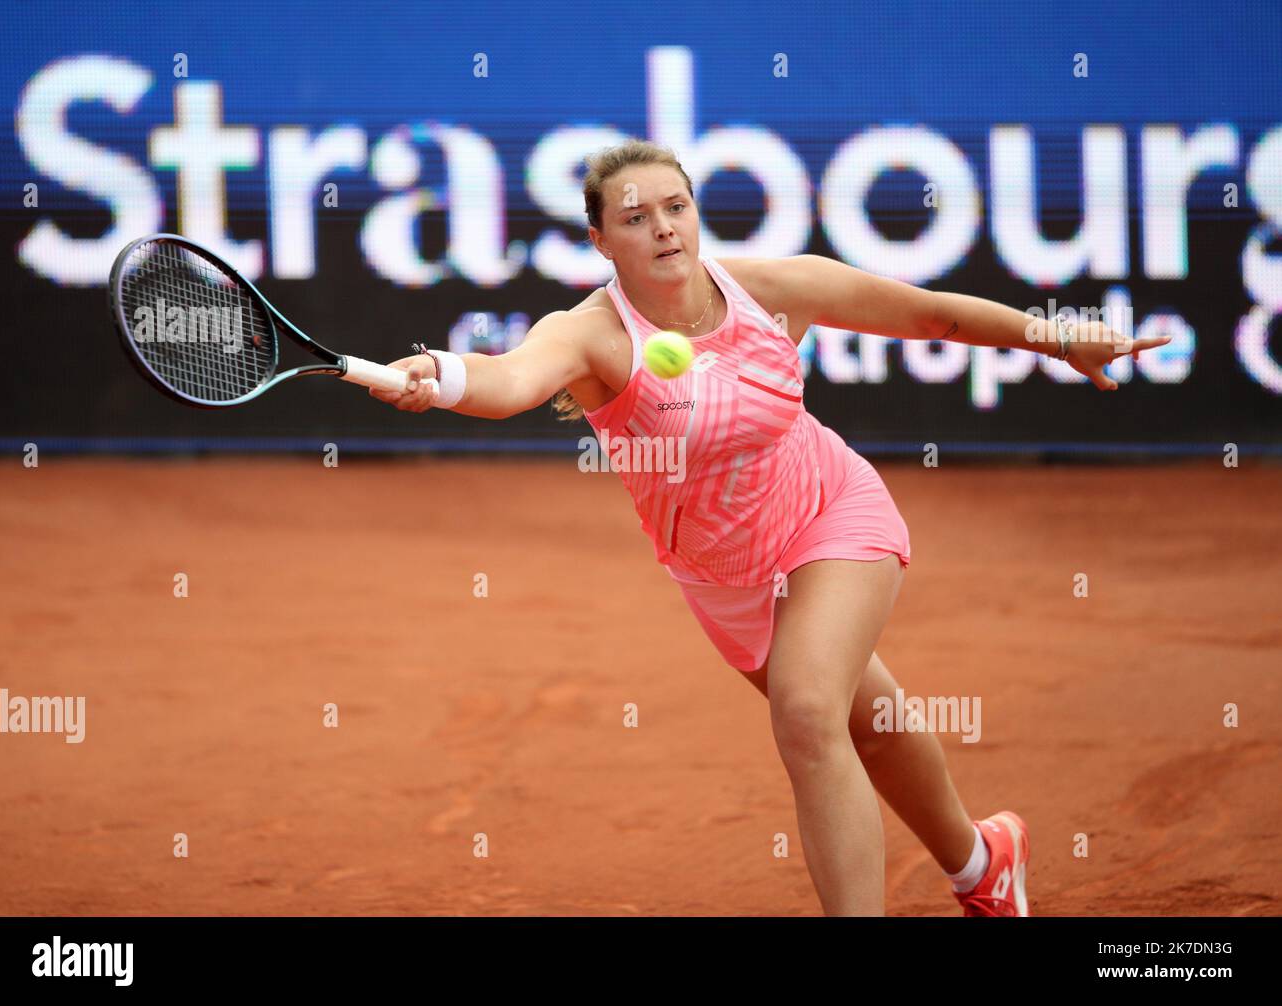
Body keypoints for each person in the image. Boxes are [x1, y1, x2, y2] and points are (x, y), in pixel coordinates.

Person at [369, 139, 1169, 916]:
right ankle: (983, 863)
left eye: (676, 207)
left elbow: (933, 318)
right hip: (725, 578)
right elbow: (506, 380)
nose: (664, 229)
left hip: (829, 511)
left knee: (807, 711)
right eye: (636, 217)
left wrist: (1056, 335)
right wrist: (436, 376)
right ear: (600, 240)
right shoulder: (593, 335)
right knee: (872, 726)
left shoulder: (773, 289)